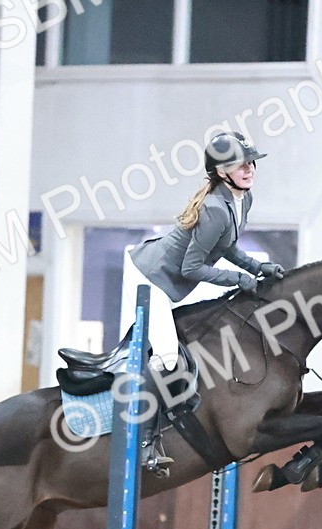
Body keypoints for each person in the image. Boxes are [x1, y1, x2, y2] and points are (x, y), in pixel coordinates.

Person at [125, 130, 286, 472]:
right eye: (240, 165)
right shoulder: (214, 207)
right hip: (149, 278)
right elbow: (192, 266)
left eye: (250, 163)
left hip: (171, 279)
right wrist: (241, 279)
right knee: (167, 357)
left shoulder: (242, 199)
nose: (249, 169)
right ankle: (144, 443)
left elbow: (225, 248)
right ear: (222, 171)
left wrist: (258, 267)